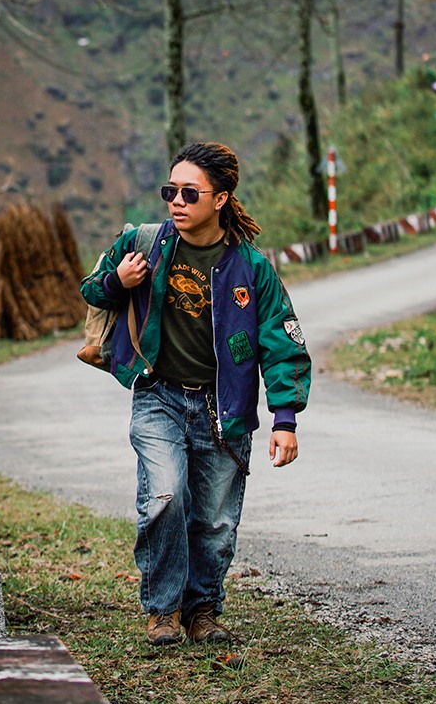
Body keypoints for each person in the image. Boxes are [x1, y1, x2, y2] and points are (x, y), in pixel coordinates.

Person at [79, 140, 311, 648]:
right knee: (164, 498)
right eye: (170, 190)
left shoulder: (252, 269)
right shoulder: (143, 243)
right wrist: (118, 281)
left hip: (222, 410)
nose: (176, 201)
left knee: (214, 520)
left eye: (189, 192)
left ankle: (202, 610)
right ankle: (163, 610)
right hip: (158, 396)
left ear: (221, 199)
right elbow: (91, 289)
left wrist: (286, 419)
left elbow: (281, 341)